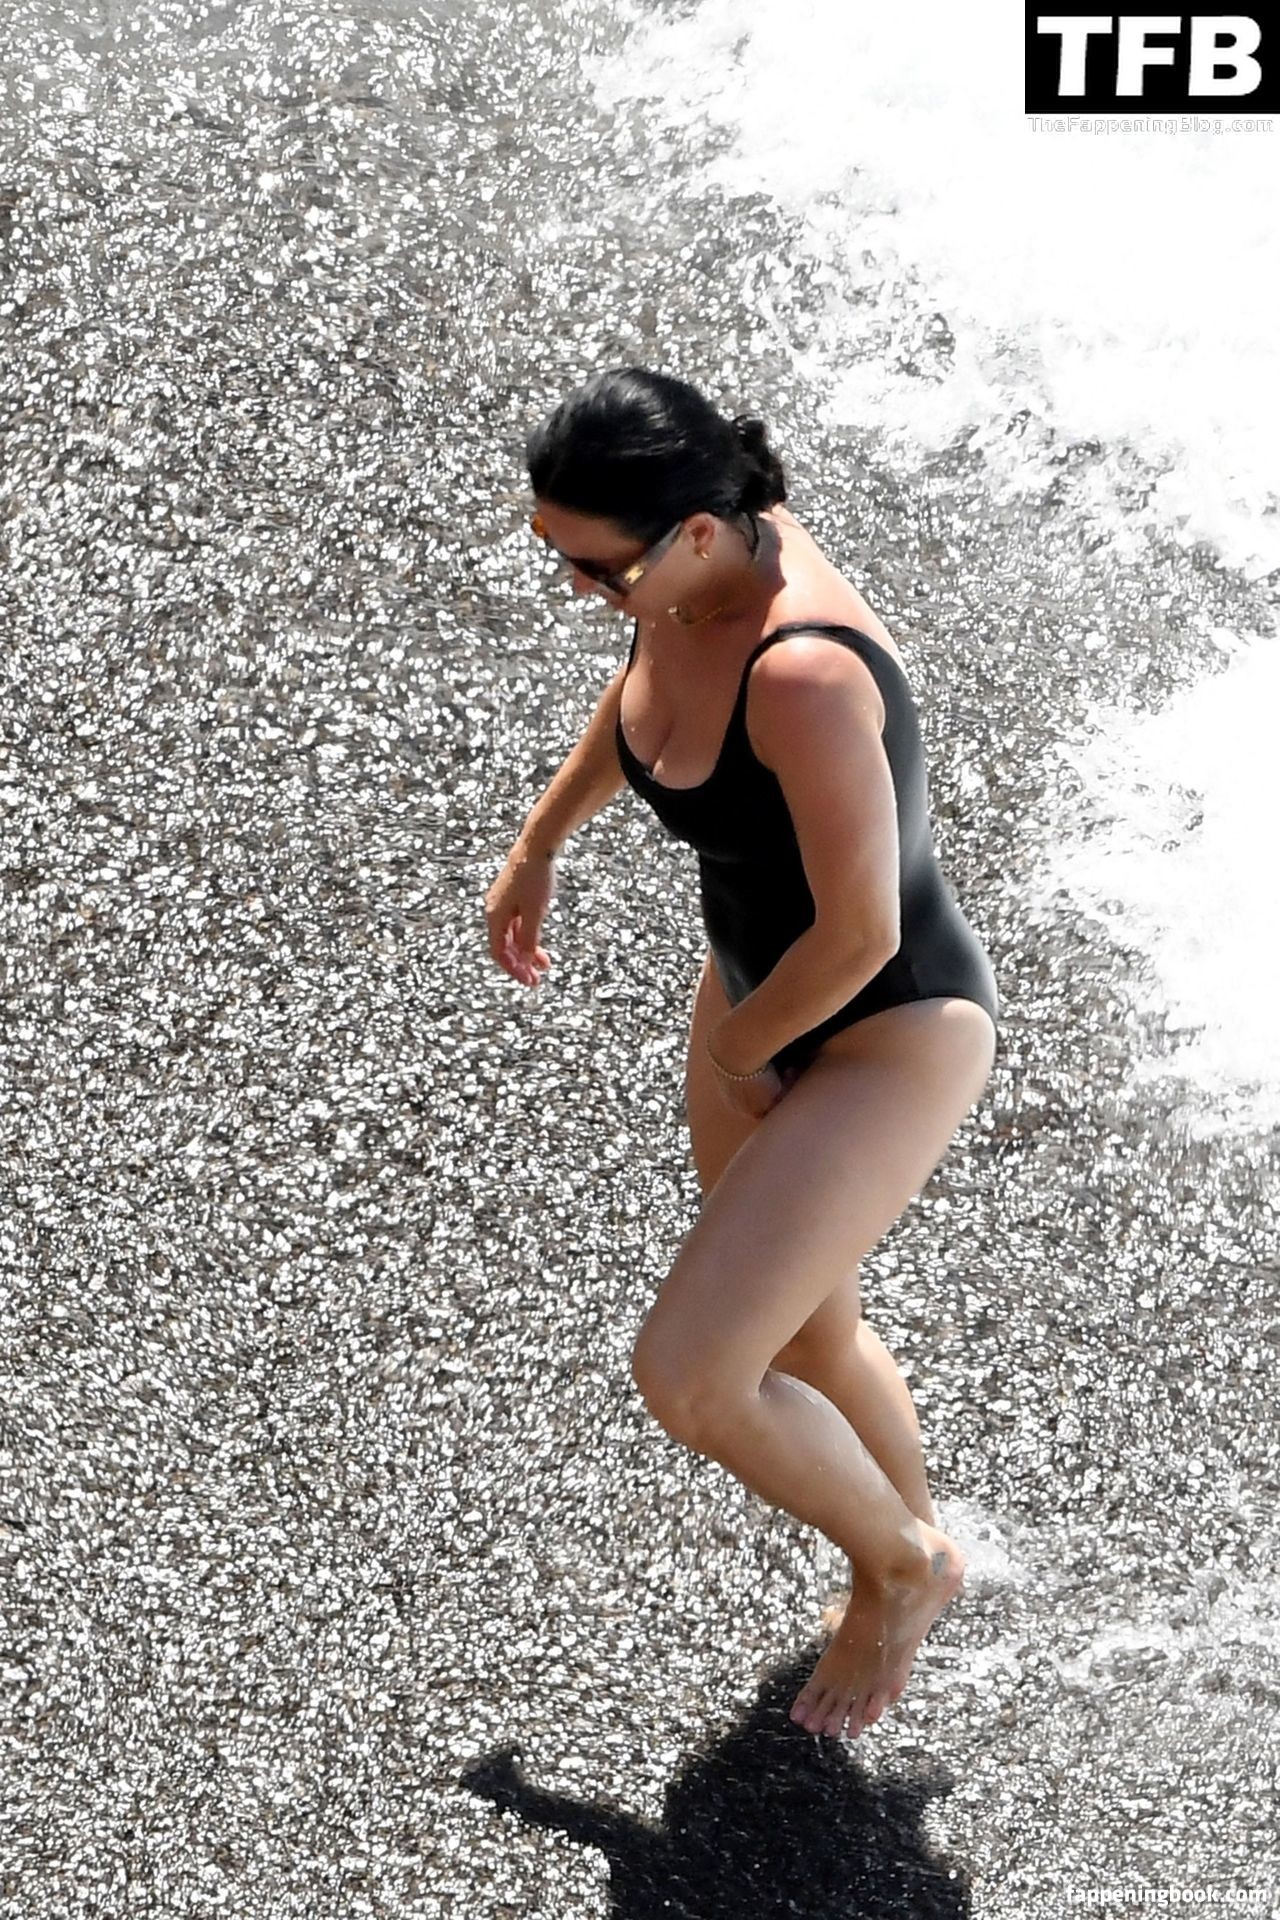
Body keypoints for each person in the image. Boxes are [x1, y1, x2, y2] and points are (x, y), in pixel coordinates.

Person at [484, 366, 1000, 1743]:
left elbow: (861, 933)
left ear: (700, 532)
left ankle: (906, 1567)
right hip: (758, 1002)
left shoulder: (805, 672)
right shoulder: (686, 582)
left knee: (696, 1372)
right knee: (809, 1327)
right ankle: (896, 1552)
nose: (581, 593)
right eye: (556, 556)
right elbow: (645, 694)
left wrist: (742, 1057)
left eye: (599, 569)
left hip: (887, 1027)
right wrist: (541, 841)